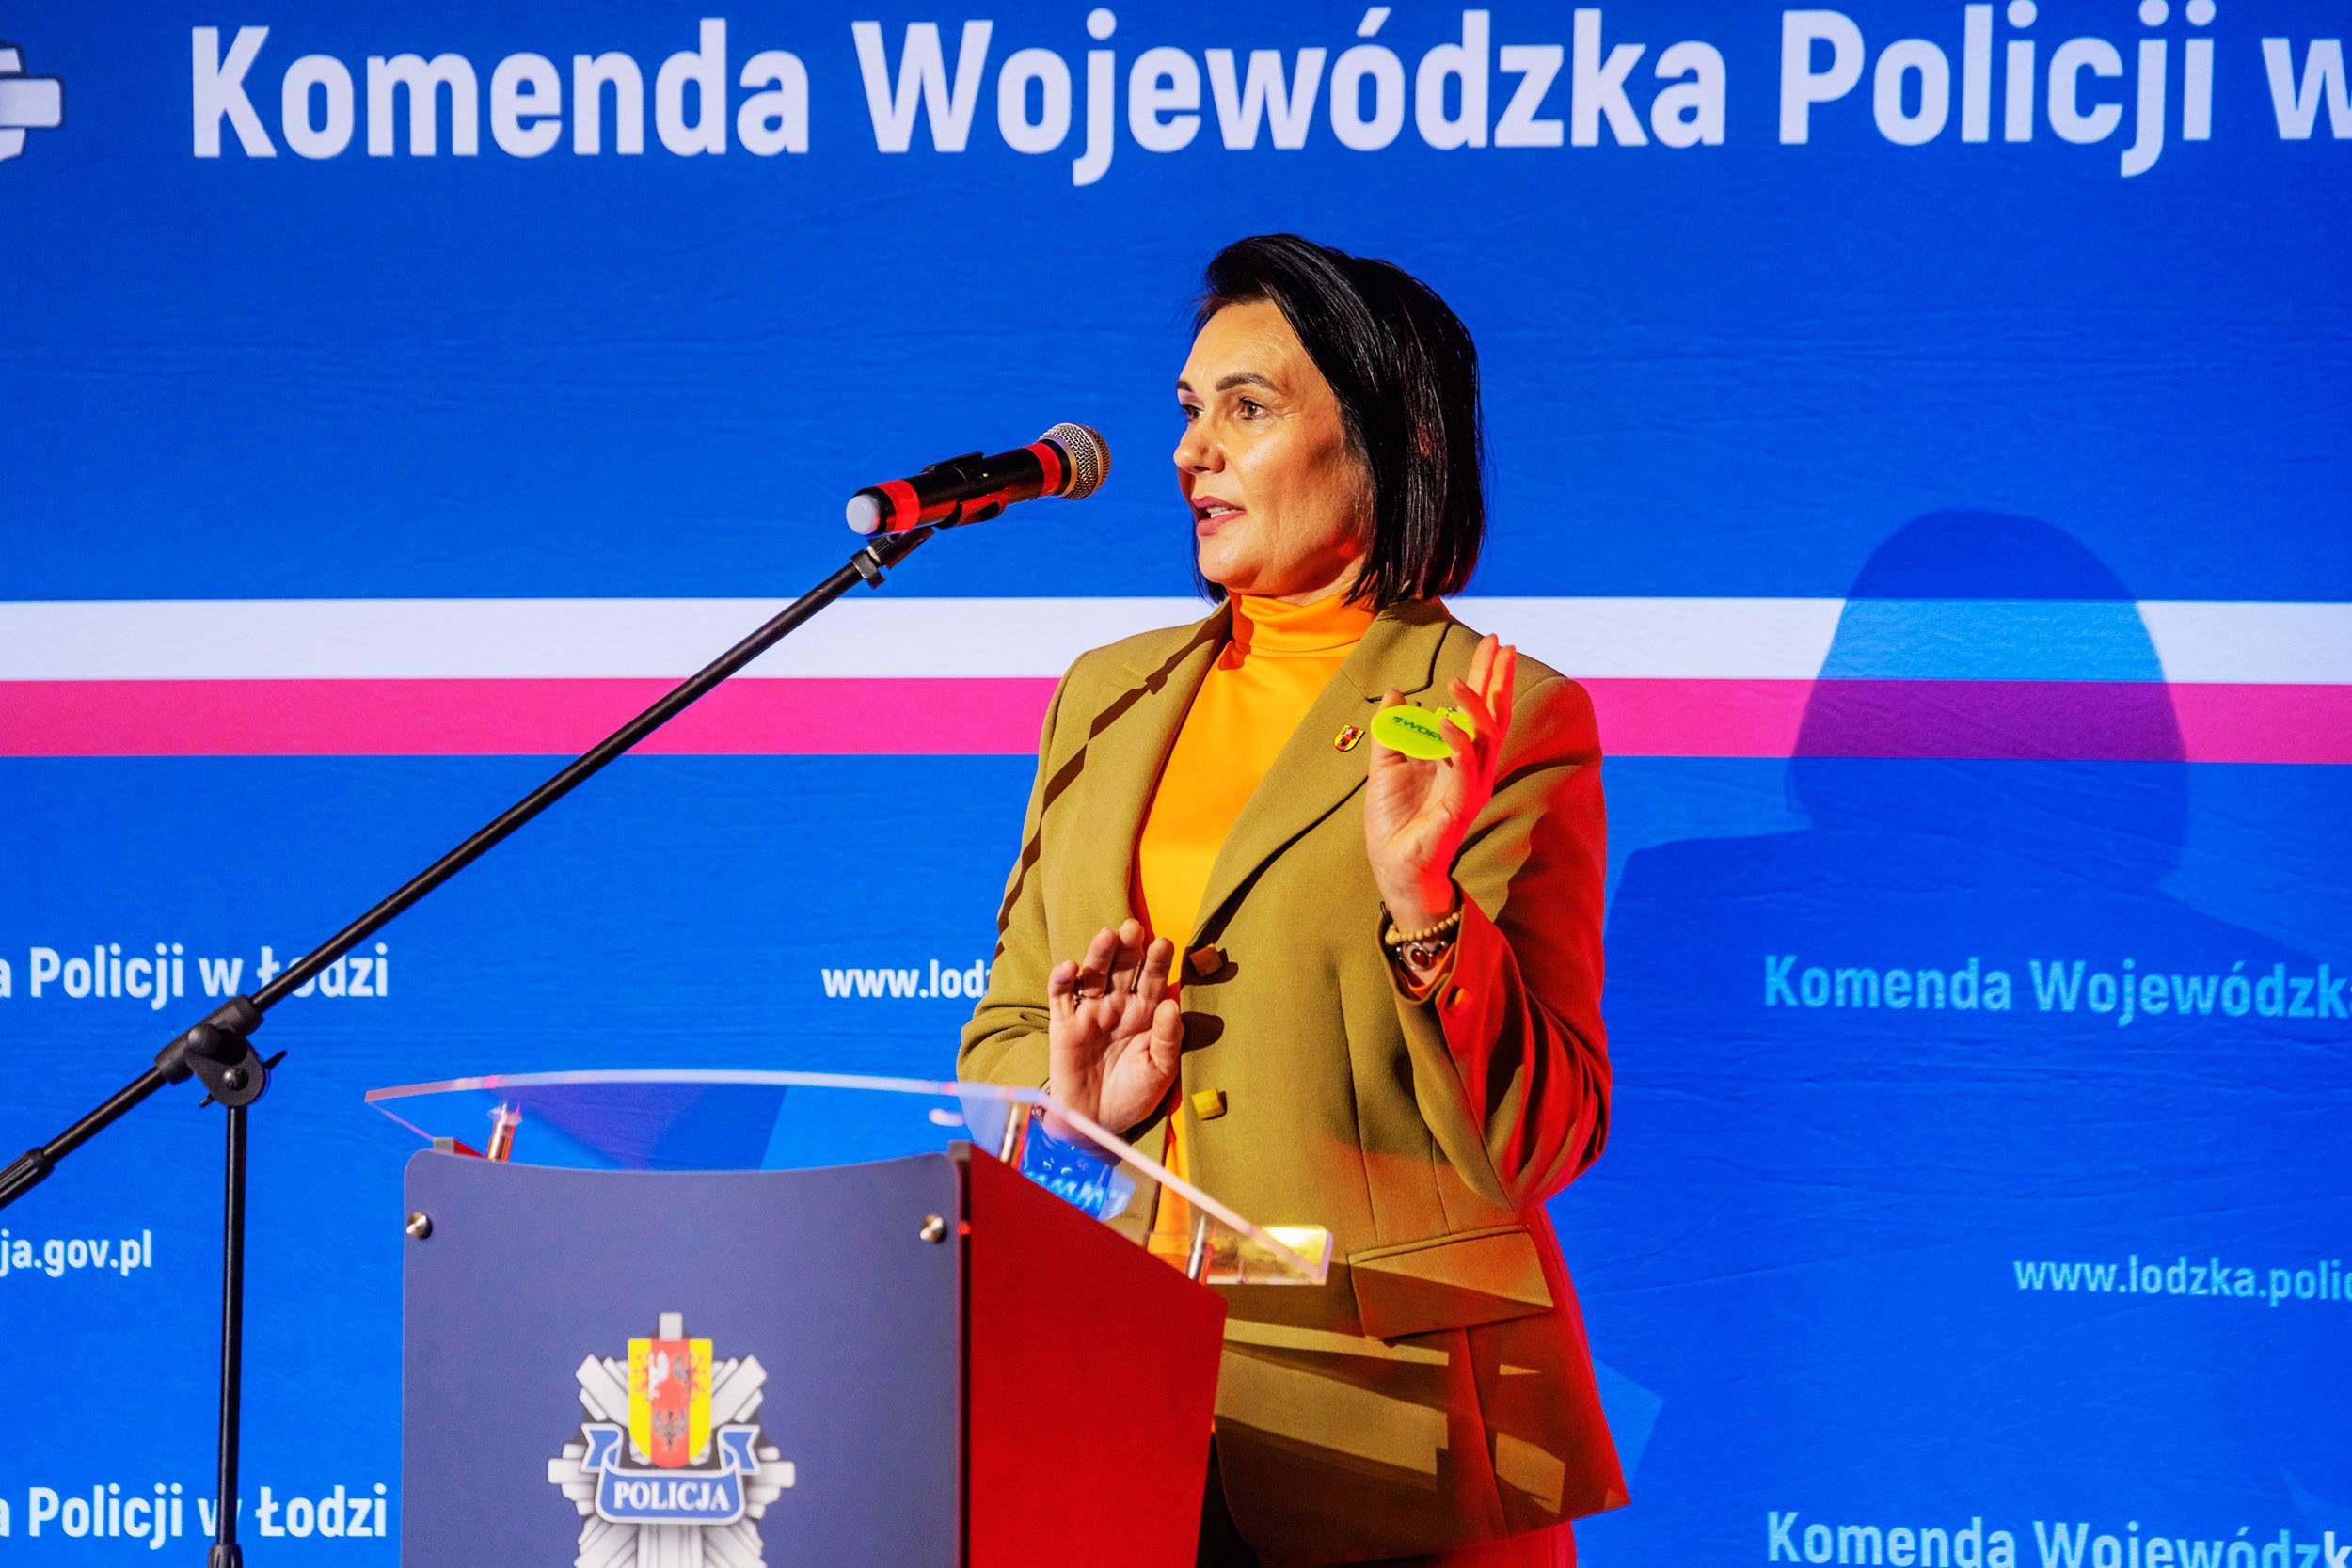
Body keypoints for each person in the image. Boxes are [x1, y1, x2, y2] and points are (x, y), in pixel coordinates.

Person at [959, 233, 1624, 1567]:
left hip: (1392, 1442)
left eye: (1247, 408)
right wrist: (1075, 1105)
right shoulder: (1106, 697)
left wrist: (1425, 909)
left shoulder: (1499, 713)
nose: (1190, 452)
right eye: (1189, 411)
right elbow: (1000, 1043)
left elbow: (1546, 1135)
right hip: (1110, 1405)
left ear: (1388, 439)